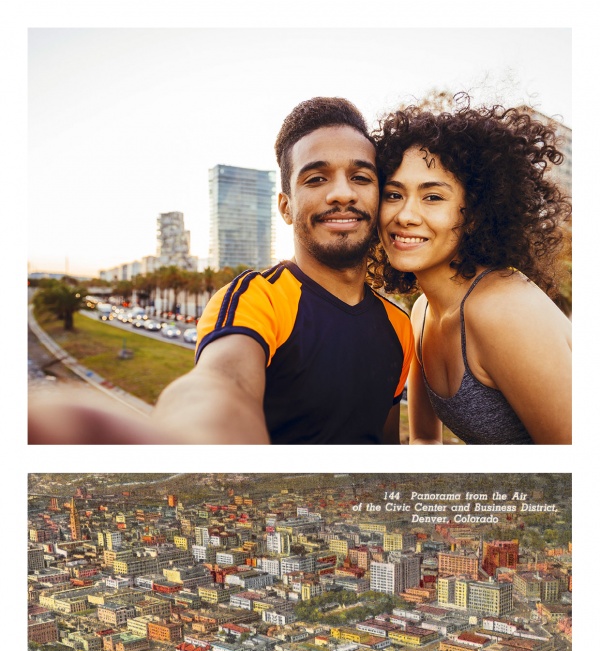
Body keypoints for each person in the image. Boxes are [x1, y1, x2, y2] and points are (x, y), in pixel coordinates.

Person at [28, 97, 414, 445]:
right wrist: (191, 442)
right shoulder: (254, 299)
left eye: (361, 177)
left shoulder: (400, 325)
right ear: (285, 207)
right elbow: (221, 383)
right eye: (316, 178)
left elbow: (382, 441)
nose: (342, 193)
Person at [367, 99, 572, 445]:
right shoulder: (422, 313)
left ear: (474, 214)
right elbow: (425, 443)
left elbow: (577, 468)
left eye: (432, 197)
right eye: (393, 194)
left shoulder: (505, 308)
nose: (405, 216)